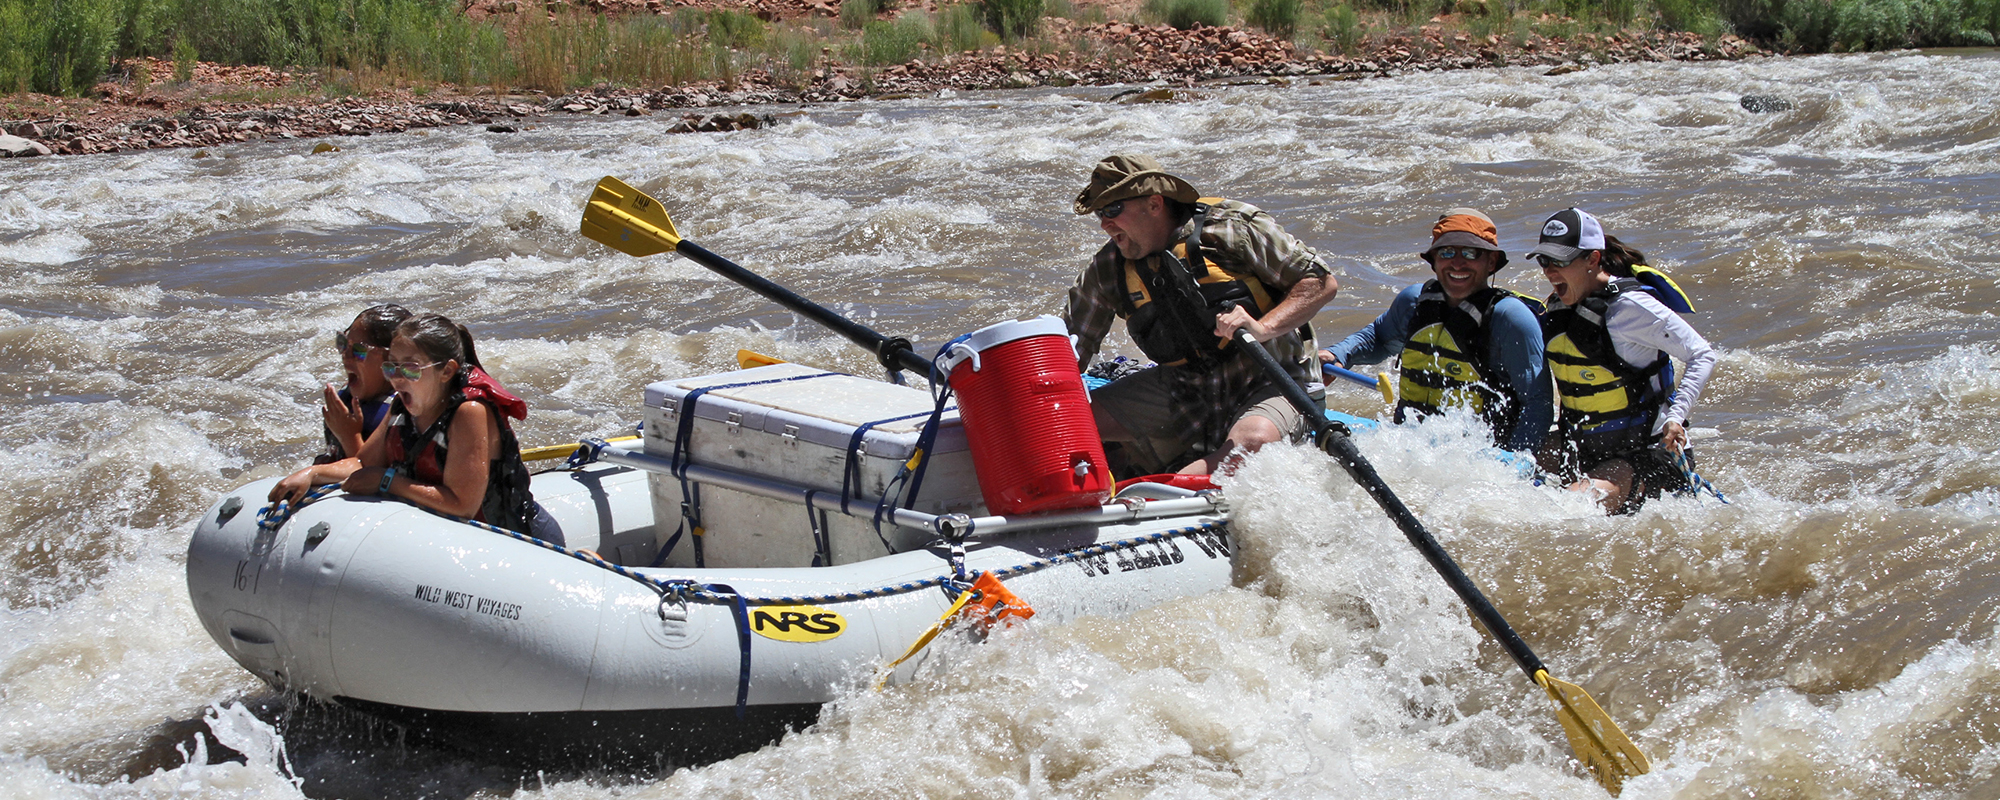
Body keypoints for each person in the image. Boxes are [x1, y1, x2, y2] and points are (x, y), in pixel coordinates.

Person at [1064, 154, 1339, 476]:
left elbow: (1320, 282)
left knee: (1251, 445)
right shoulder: (1106, 269)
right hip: (1185, 389)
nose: (1104, 223)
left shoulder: (1232, 228)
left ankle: (1161, 496)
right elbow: (1069, 352)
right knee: (1066, 425)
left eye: (1113, 210)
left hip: (1273, 378)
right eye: (1100, 212)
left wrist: (1263, 327)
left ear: (1154, 204)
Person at [271, 313, 537, 534]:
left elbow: (462, 504)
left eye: (410, 369)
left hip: (510, 536)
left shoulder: (469, 411)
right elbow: (365, 463)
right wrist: (313, 474)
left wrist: (389, 482)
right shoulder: (402, 404)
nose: (397, 379)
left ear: (446, 371)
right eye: (391, 367)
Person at [1528, 208, 1716, 515]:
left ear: (1593, 259)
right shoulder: (1558, 307)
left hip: (1647, 455)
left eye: (1561, 261)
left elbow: (1702, 354)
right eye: (1544, 260)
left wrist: (1676, 417)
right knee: (1495, 472)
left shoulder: (1631, 307)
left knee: (1566, 512)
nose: (1550, 270)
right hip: (1582, 447)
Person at [1317, 208, 1552, 452]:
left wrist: (1515, 466)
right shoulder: (1414, 301)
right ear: (1434, 260)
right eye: (1447, 252)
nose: (1457, 262)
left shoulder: (1510, 318)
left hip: (1481, 456)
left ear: (1491, 262)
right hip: (1410, 444)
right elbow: (1378, 338)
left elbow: (1537, 403)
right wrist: (1339, 354)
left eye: (1471, 253)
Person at [315, 303, 411, 464]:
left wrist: (349, 437)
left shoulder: (406, 413)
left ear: (391, 359)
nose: (346, 355)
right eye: (343, 343)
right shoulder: (348, 399)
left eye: (359, 350)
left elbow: (371, 478)